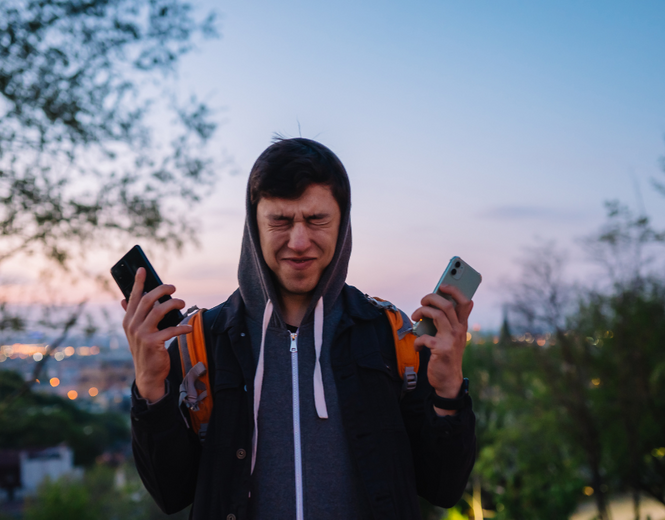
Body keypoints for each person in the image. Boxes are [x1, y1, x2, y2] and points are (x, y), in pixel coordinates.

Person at [123, 138, 477, 520]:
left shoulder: (389, 335)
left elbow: (442, 486)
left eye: (316, 220)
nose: (299, 241)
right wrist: (150, 388)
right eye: (280, 220)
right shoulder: (204, 340)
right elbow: (171, 492)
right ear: (253, 226)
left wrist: (448, 392)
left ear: (343, 224)